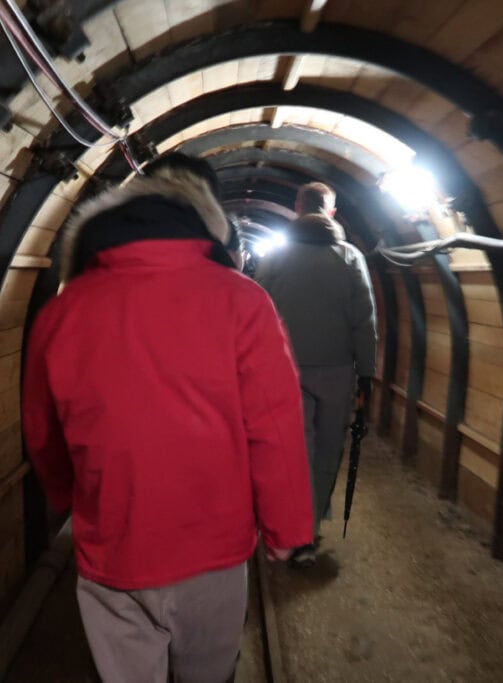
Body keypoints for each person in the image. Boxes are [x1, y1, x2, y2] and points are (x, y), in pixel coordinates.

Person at [23, 153, 313, 683]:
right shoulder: (243, 301)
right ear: (209, 224)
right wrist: (286, 527)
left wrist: (76, 499)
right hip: (214, 552)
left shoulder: (62, 312)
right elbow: (273, 427)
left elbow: (43, 432)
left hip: (112, 548)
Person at [255, 182, 378, 568]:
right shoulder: (350, 257)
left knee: (293, 452)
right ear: (332, 212)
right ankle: (307, 533)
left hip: (284, 371)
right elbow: (364, 321)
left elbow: (256, 314)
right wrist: (367, 375)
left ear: (297, 208)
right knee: (327, 451)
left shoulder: (276, 257)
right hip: (338, 372)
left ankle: (282, 526)